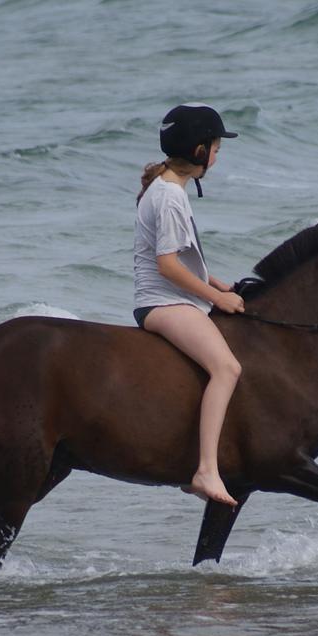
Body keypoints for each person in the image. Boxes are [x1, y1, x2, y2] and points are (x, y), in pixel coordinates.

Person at [132, 103, 245, 507]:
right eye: (216, 146)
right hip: (163, 302)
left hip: (170, 299)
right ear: (199, 151)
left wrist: (218, 282)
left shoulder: (164, 186)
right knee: (227, 368)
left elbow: (182, 257)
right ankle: (205, 471)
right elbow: (166, 266)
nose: (218, 154)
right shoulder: (170, 198)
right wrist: (217, 298)